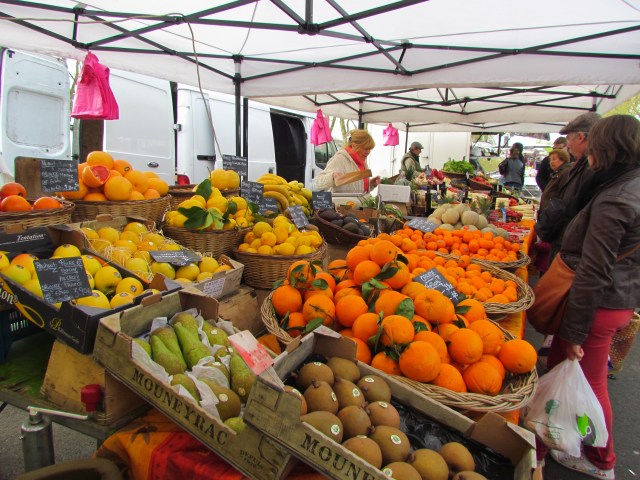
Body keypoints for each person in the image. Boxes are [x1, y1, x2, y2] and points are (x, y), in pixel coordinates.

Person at [535, 115, 640, 480]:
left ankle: (602, 461)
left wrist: (575, 332)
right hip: (612, 299)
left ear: (604, 147)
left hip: (599, 304)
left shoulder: (618, 198)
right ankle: (545, 438)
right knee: (562, 368)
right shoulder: (627, 184)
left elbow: (595, 270)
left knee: (591, 380)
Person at [535, 112, 601, 261]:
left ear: (580, 137)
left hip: (573, 248)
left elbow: (574, 208)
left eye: (569, 139)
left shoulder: (592, 167)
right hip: (566, 242)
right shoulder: (583, 164)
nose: (568, 145)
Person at [314, 129, 380, 193]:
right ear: (354, 145)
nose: (368, 152)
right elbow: (318, 183)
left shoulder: (362, 161)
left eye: (370, 149)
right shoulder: (339, 159)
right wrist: (332, 176)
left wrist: (371, 184)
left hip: (357, 203)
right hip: (341, 203)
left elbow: (357, 189)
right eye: (365, 149)